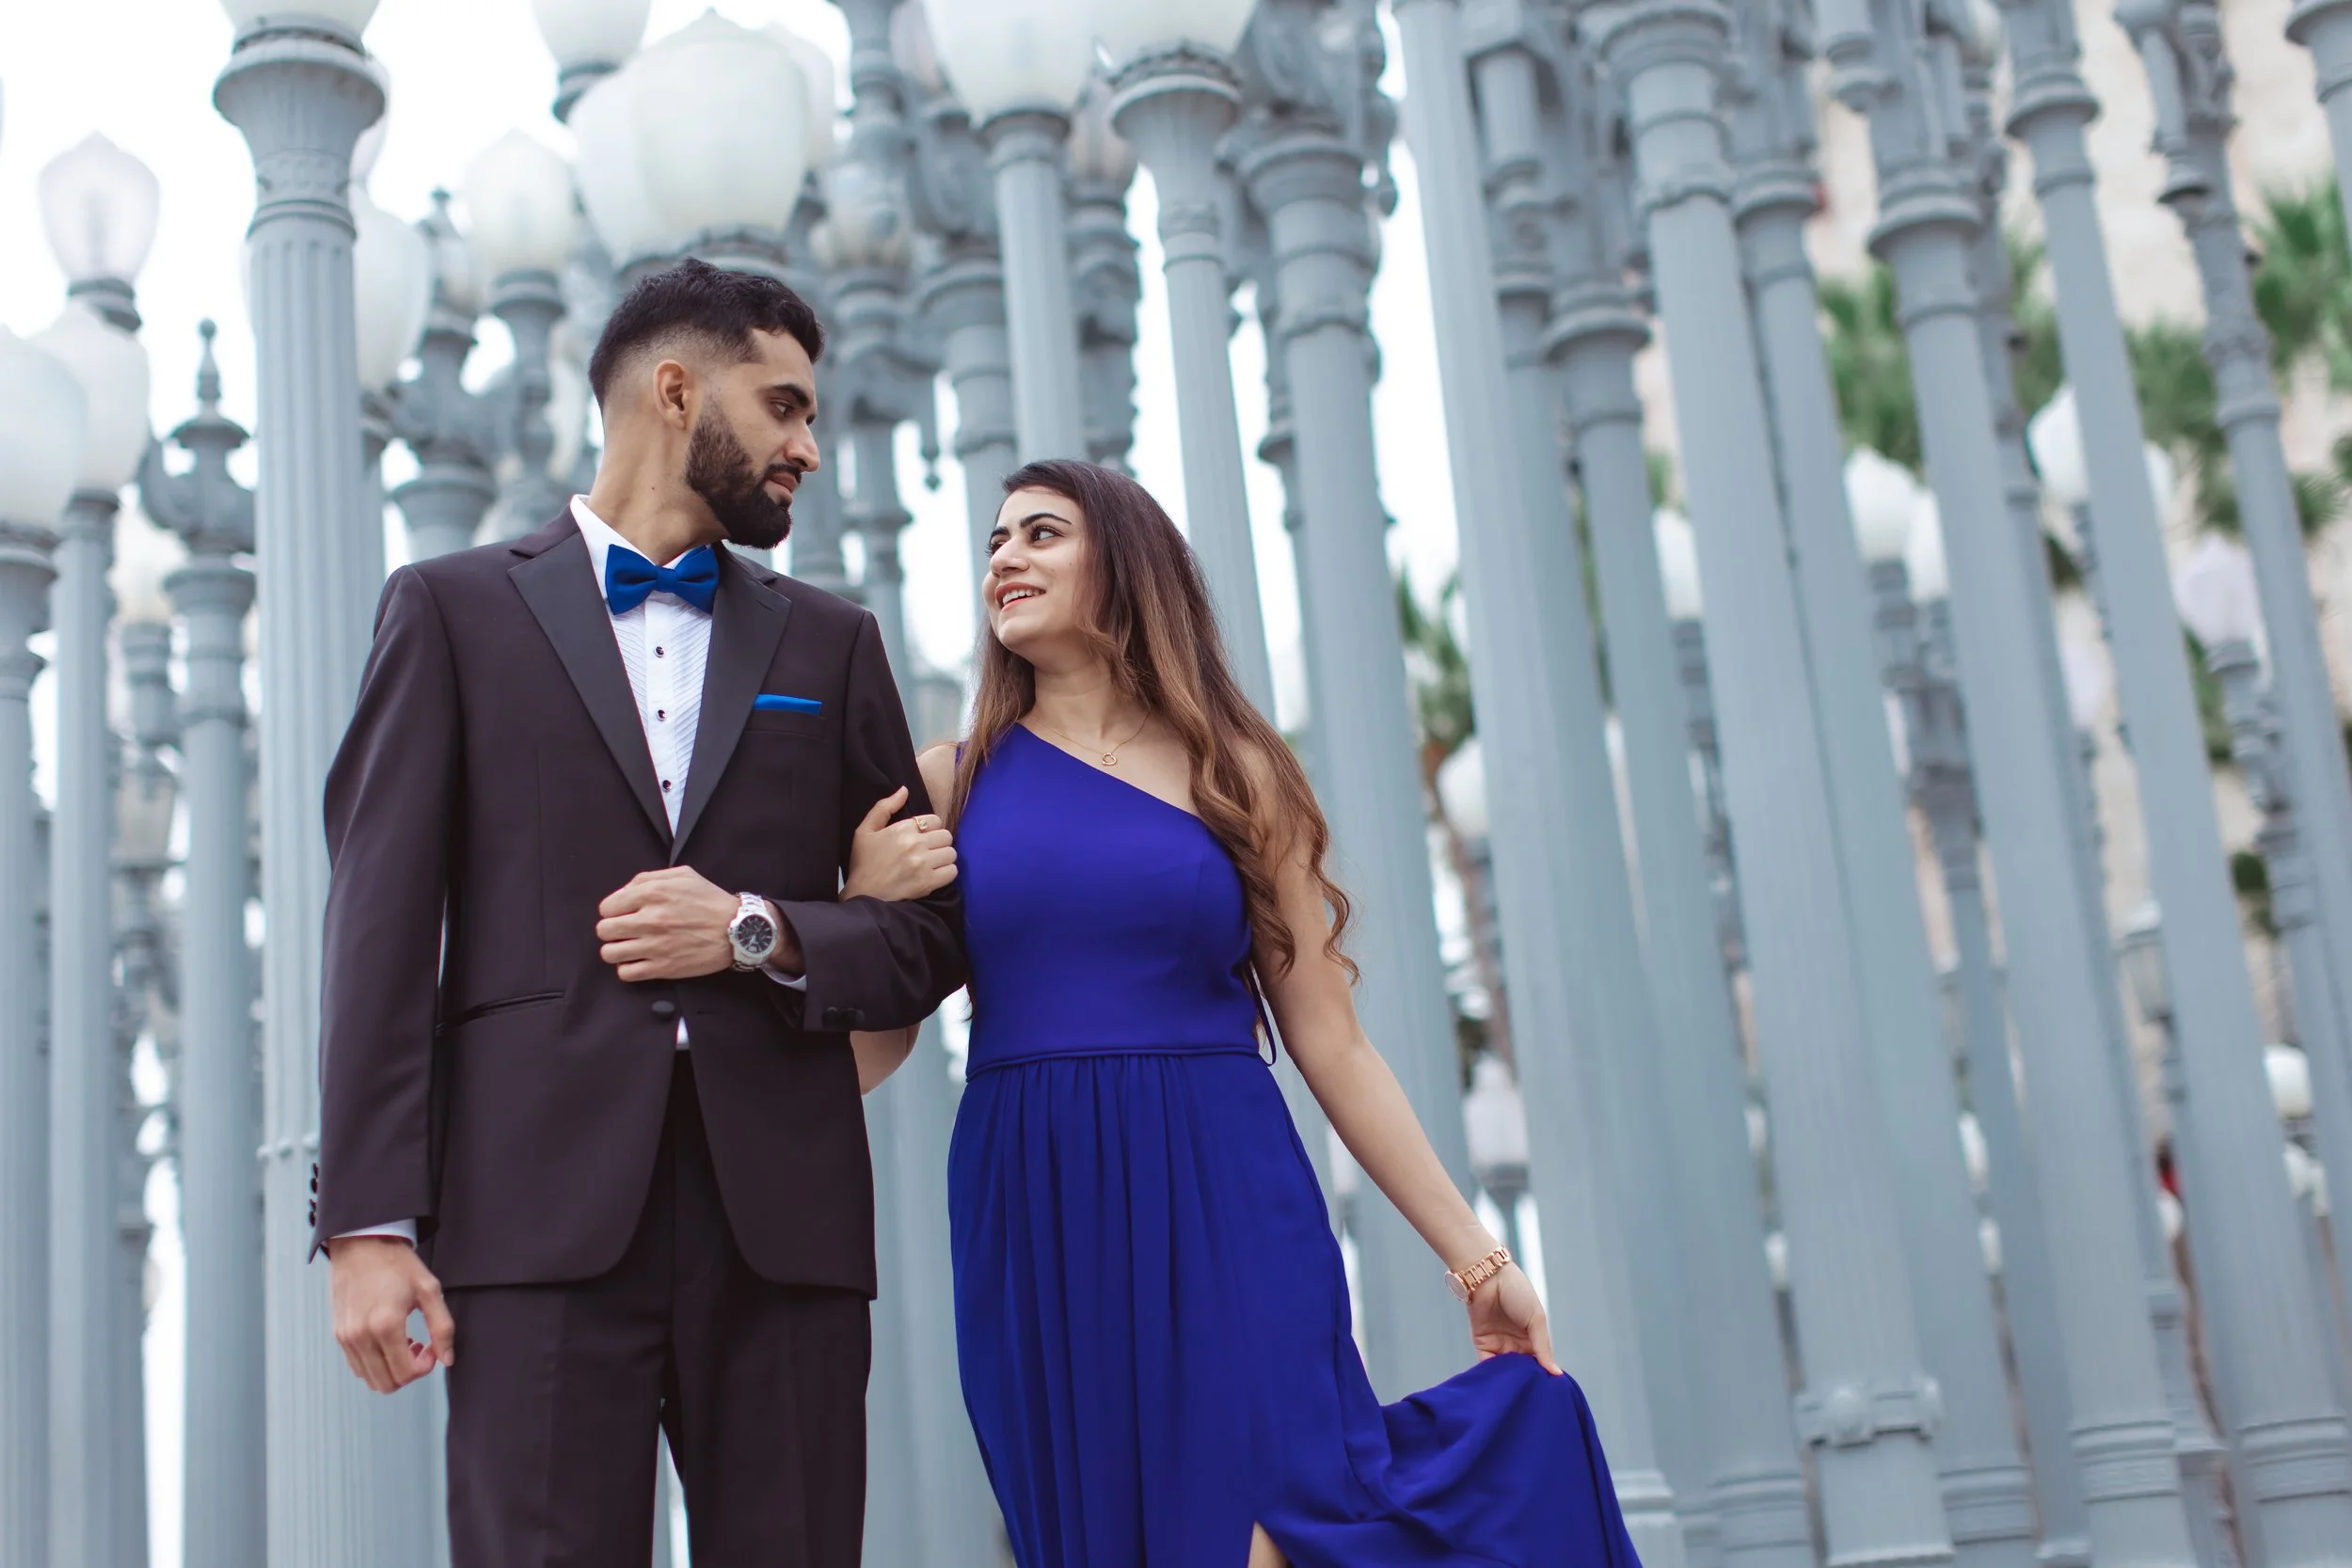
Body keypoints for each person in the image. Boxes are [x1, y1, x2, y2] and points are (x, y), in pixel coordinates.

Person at [844, 458, 1642, 1567]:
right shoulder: (951, 781)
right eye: (994, 542)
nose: (1005, 559)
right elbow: (867, 1047)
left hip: (1226, 1190)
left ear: (1122, 564)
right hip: (1035, 1202)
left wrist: (1474, 1257)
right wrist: (854, 911)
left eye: (1041, 533)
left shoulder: (1236, 775)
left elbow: (1331, 1038)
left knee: (1272, 1523)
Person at [310, 257, 964, 1568]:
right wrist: (366, 1225)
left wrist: (757, 927)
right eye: (782, 407)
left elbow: (929, 933)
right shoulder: (448, 611)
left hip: (782, 1225)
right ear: (677, 389)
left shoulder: (831, 645)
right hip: (531, 1218)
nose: (808, 447)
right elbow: (379, 936)